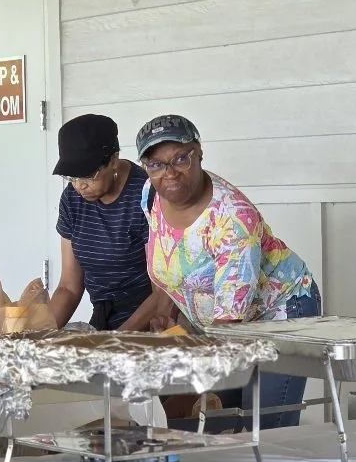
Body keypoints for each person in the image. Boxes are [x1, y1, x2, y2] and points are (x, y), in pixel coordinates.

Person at [136, 114, 322, 430]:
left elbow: (228, 324)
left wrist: (195, 374)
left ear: (199, 153)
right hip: (219, 324)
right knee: (222, 420)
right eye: (156, 164)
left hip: (279, 313)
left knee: (265, 426)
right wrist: (167, 318)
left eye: (180, 158)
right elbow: (169, 259)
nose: (170, 173)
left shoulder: (233, 220)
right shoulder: (151, 195)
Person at [51, 114, 166, 331]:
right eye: (72, 177)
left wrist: (116, 341)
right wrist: (36, 334)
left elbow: (162, 291)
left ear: (113, 160)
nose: (79, 186)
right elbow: (68, 288)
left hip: (149, 321)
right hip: (104, 319)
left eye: (88, 175)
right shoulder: (72, 200)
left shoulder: (146, 196)